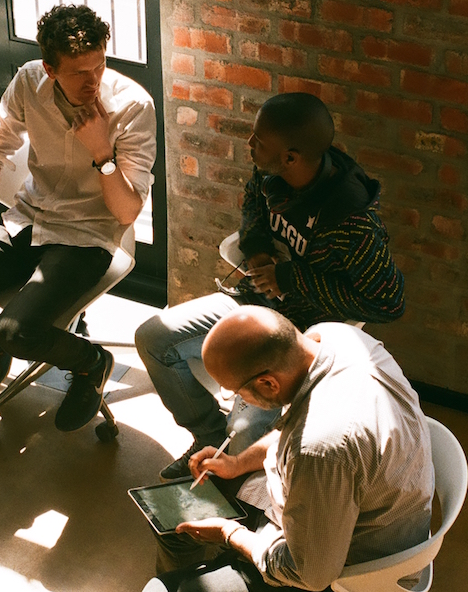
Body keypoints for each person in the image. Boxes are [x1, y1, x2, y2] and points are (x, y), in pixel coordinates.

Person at [0, 4, 156, 432]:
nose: (93, 80)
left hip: (90, 233)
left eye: (99, 64)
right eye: (79, 72)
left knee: (17, 331)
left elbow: (127, 211)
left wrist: (102, 153)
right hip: (29, 217)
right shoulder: (29, 80)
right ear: (50, 68)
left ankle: (91, 362)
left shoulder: (132, 106)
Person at [135, 92, 405, 479]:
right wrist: (260, 254)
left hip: (299, 338)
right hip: (254, 307)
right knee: (154, 339)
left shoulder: (352, 220)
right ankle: (207, 435)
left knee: (244, 442)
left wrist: (291, 278)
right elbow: (253, 211)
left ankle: (238, 485)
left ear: (290, 157)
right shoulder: (271, 173)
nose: (249, 144)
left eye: (258, 140)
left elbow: (389, 303)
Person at [115, 306, 434, 592]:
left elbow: (309, 575)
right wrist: (237, 463)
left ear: (268, 383)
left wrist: (228, 533)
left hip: (349, 579)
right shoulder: (337, 338)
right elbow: (293, 428)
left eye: (235, 391)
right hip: (356, 509)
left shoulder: (321, 450)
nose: (232, 399)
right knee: (175, 513)